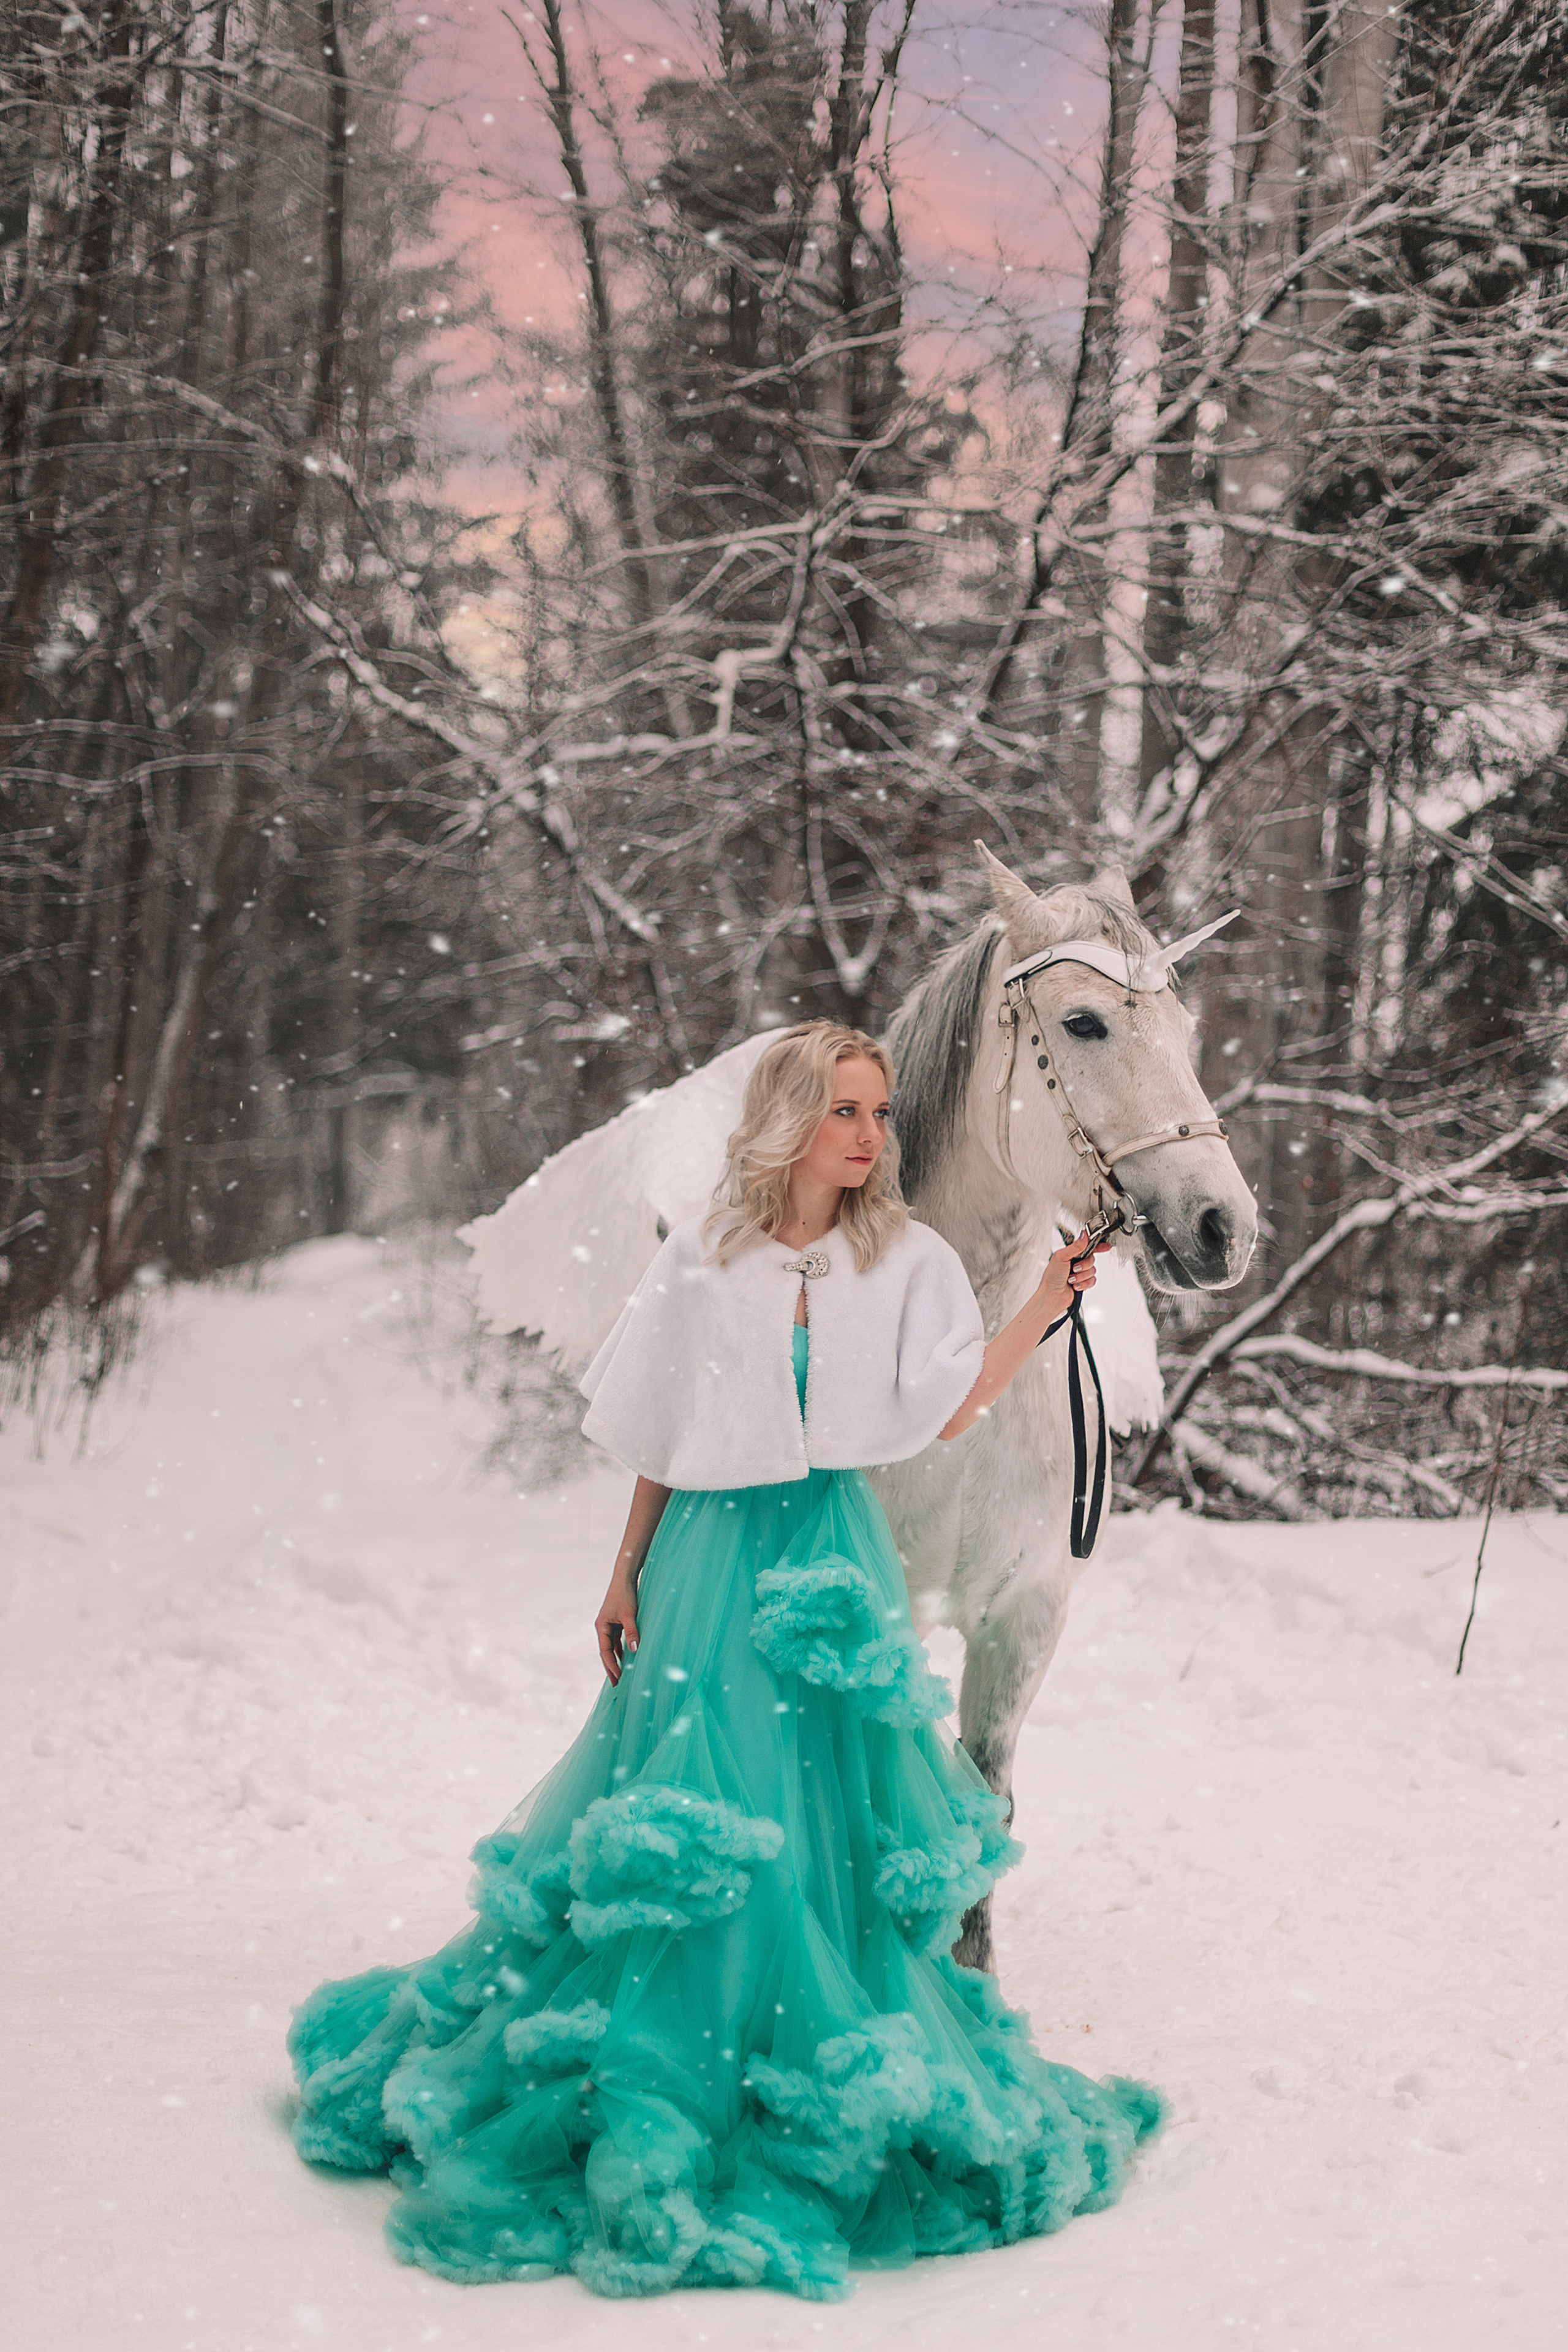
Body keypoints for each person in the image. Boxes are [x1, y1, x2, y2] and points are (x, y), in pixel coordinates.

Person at [287, 1022, 1162, 2299]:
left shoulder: (905, 1259)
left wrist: (1044, 1299)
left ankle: (789, 2040)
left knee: (819, 1810)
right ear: (790, 1120)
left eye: (880, 1115)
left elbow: (948, 1402)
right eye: (846, 1113)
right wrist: (624, 1565)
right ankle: (674, 2044)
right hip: (707, 1555)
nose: (871, 1136)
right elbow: (660, 1426)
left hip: (832, 1555)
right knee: (704, 1806)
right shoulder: (708, 1255)